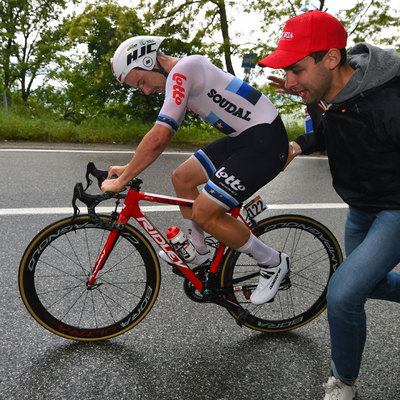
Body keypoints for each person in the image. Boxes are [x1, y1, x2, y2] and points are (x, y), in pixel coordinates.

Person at [258, 9, 400, 400]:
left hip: (396, 209)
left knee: (342, 293)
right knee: (368, 286)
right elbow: (328, 130)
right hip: (361, 206)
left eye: (297, 70)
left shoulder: (388, 103)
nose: (288, 80)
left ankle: (344, 382)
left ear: (332, 59)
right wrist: (297, 144)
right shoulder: (329, 95)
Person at [102, 35, 291, 304]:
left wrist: (126, 178)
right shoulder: (183, 73)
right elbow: (160, 134)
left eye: (141, 81)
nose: (144, 90)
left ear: (149, 61)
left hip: (264, 142)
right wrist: (128, 168)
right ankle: (199, 249)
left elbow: (160, 137)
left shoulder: (182, 71)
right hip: (245, 137)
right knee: (182, 178)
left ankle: (273, 263)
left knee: (205, 213)